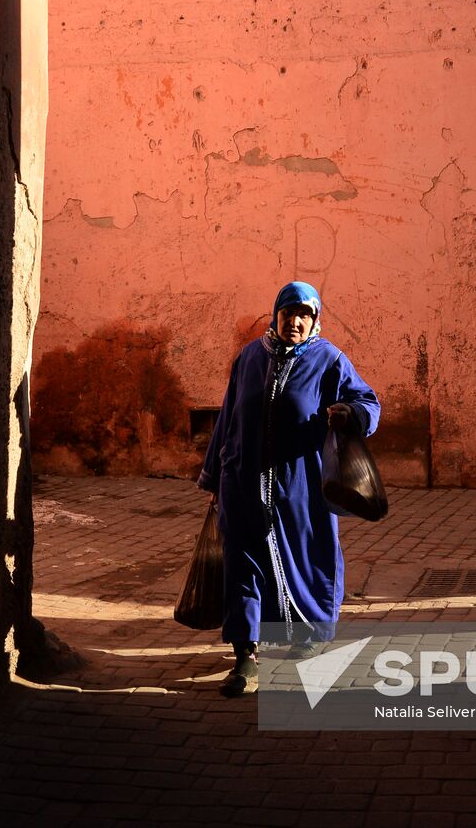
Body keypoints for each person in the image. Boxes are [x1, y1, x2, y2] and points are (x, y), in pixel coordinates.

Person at [197, 281, 381, 697]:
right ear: (275, 315)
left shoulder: (329, 360)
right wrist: (213, 478)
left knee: (307, 559)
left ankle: (308, 633)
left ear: (315, 320)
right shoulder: (249, 358)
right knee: (242, 567)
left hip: (302, 490)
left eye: (304, 315)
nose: (295, 322)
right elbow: (227, 418)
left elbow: (369, 403)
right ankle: (245, 656)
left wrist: (349, 412)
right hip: (242, 484)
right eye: (288, 313)